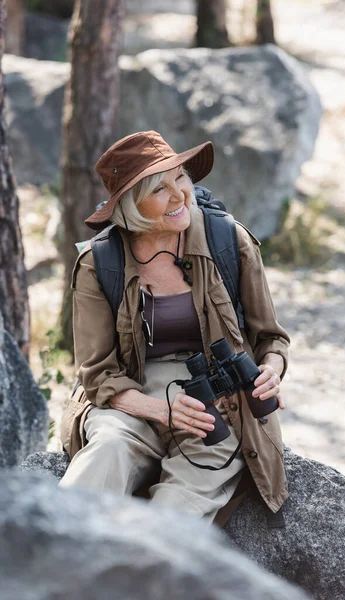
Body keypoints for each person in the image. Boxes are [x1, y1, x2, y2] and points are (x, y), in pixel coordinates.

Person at [59, 130, 290, 523]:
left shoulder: (228, 240)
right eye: (159, 188)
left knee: (170, 520)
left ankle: (138, 574)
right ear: (131, 207)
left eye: (180, 177)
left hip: (219, 405)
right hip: (132, 397)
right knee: (107, 450)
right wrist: (158, 409)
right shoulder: (100, 264)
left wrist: (271, 370)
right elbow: (98, 374)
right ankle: (37, 558)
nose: (180, 194)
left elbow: (271, 338)